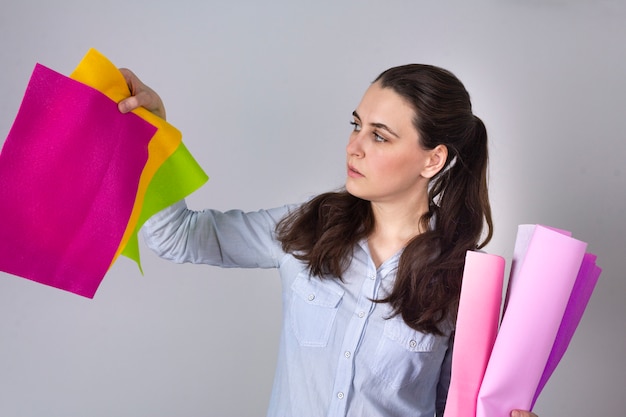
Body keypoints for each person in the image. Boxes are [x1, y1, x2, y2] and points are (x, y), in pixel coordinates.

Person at [118, 64, 539, 417]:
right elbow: (177, 237)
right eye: (356, 126)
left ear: (434, 159)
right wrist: (155, 132)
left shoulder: (466, 281)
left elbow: (458, 407)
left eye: (379, 135)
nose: (353, 147)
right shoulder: (309, 228)